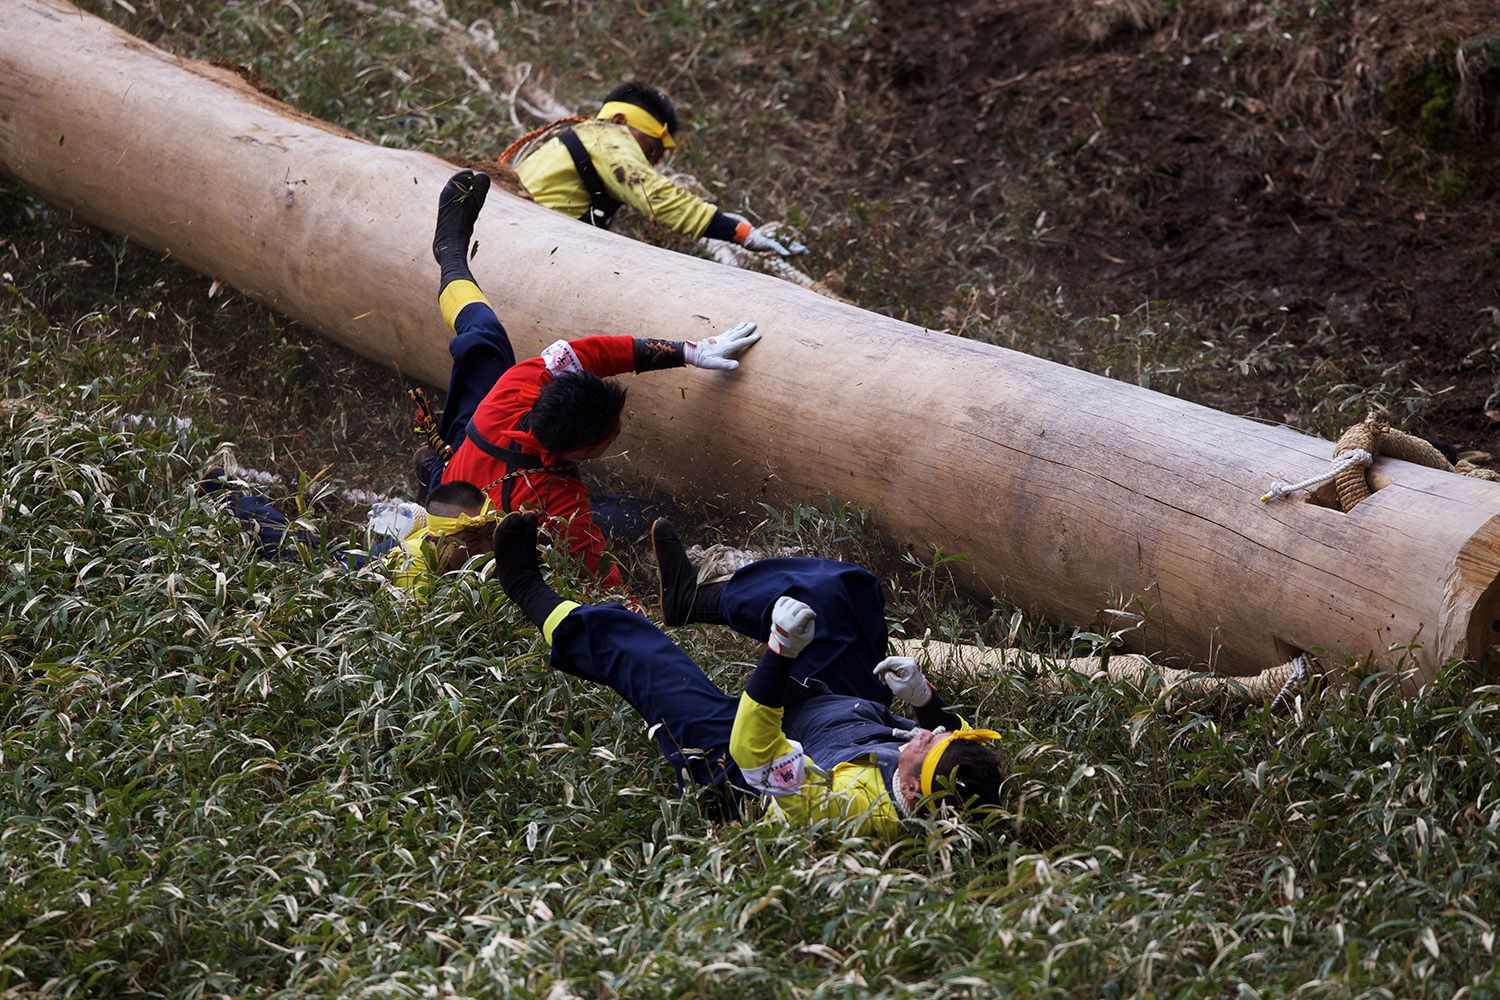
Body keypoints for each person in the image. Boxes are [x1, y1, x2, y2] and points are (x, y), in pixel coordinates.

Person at [491, 512, 1005, 837]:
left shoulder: (839, 802)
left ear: (910, 794)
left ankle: (527, 590)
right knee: (841, 593)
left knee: (634, 648)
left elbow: (755, 747)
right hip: (836, 712)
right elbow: (949, 743)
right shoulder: (936, 780)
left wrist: (780, 654)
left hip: (737, 764)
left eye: (925, 745)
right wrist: (923, 699)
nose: (924, 736)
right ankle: (694, 599)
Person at [424, 168, 761, 588]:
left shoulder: (518, 387)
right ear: (579, 454)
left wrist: (689, 351)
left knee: (485, 336)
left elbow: (592, 354)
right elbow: (599, 572)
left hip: (471, 452)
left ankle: (450, 255)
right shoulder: (561, 501)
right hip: (469, 518)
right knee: (647, 513)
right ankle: (431, 479)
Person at [507, 81, 804, 256]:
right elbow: (654, 195)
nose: (647, 161)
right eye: (649, 150)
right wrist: (740, 233)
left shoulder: (570, 140)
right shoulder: (608, 136)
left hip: (527, 236)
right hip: (534, 246)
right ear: (621, 120)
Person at [203, 471, 496, 593]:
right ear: (438, 540)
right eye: (472, 541)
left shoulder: (488, 532)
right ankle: (227, 497)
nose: (487, 549)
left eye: (489, 535)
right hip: (360, 572)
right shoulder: (414, 572)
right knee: (295, 549)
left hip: (385, 553)